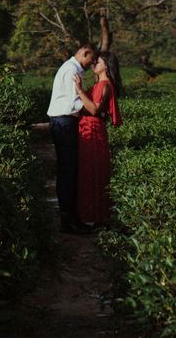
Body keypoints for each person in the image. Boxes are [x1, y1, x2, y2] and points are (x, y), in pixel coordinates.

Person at [47, 43, 97, 234]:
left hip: (64, 122)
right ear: (84, 53)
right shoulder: (71, 70)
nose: (90, 64)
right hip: (64, 122)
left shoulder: (72, 68)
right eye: (90, 60)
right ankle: (68, 220)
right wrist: (94, 108)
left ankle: (70, 217)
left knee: (70, 169)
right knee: (68, 170)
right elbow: (74, 103)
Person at [74, 51, 122, 228]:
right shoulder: (99, 84)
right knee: (90, 171)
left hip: (93, 129)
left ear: (106, 66)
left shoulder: (104, 84)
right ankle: (92, 214)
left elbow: (94, 109)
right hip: (89, 128)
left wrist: (79, 90)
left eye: (98, 62)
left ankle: (97, 216)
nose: (94, 65)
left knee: (94, 172)